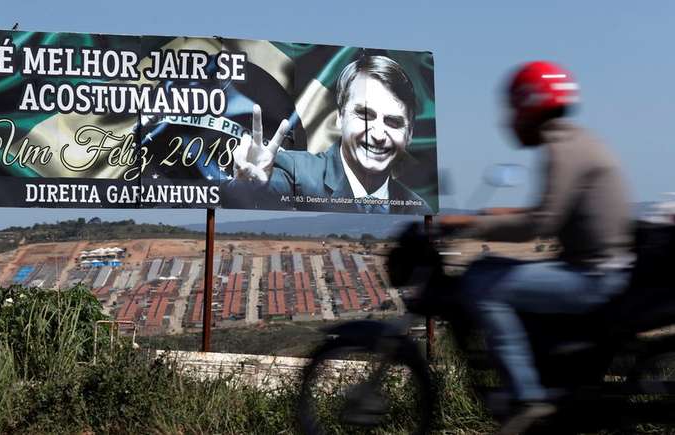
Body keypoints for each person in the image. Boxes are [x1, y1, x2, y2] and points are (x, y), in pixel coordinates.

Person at [441, 61, 633, 434]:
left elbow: (540, 224)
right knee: (490, 268)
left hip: (594, 277)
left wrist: (472, 224)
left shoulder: (562, 148)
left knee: (484, 284)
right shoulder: (574, 140)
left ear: (529, 106)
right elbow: (550, 211)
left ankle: (526, 399)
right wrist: (495, 214)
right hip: (598, 268)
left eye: (513, 109)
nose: (510, 120)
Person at [230, 55, 433, 215]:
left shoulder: (417, 208)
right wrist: (246, 188)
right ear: (339, 118)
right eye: (364, 116)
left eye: (393, 122)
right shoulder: (294, 171)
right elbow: (253, 199)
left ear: (409, 134)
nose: (379, 135)